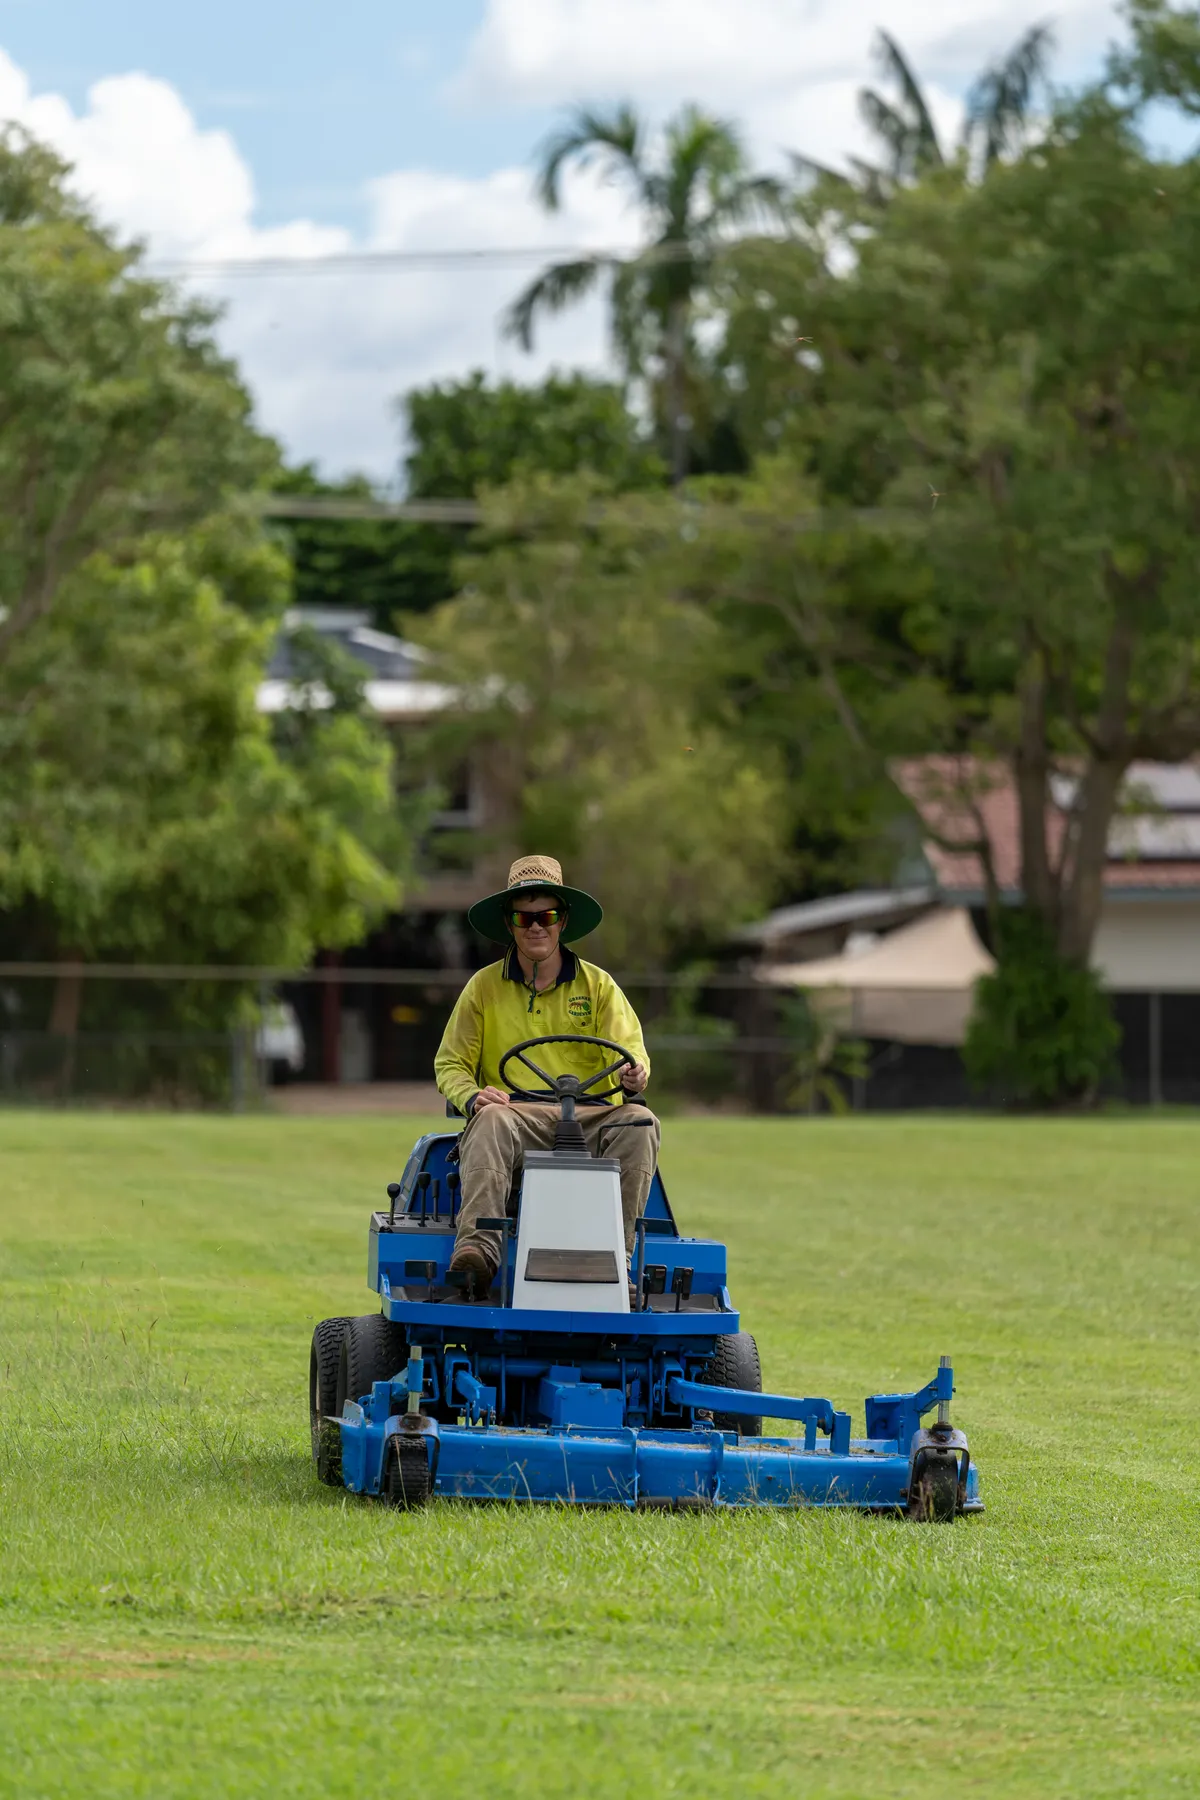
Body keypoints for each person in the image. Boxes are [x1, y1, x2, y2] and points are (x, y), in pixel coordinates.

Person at [434, 854, 660, 1297]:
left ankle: (619, 1257)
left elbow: (632, 1052)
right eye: (525, 917)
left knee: (641, 1122)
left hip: (592, 1118)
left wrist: (634, 1076)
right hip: (516, 1117)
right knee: (492, 1119)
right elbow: (451, 1064)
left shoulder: (599, 986)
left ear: (562, 922)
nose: (536, 927)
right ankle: (478, 1251)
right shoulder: (483, 987)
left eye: (547, 916)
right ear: (510, 923)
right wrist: (473, 1096)